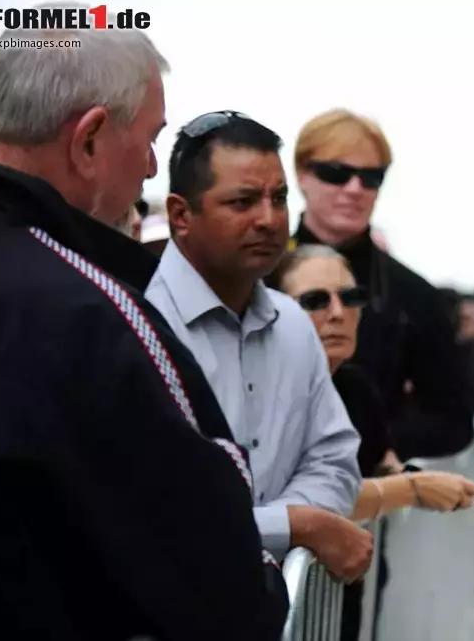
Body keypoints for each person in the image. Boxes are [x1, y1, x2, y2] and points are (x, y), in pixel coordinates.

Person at [0, 7, 287, 641]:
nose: (147, 167)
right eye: (148, 140)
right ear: (88, 140)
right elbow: (226, 590)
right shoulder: (91, 314)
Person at [145, 111, 372, 581]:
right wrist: (296, 526)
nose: (268, 220)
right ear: (180, 215)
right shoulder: (137, 320)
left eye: (279, 198)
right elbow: (148, 504)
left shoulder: (292, 322)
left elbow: (335, 458)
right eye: (243, 201)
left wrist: (273, 538)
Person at [271, 243, 474, 641]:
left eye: (351, 296)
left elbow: (384, 464)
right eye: (315, 300)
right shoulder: (265, 392)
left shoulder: (356, 388)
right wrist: (410, 489)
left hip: (341, 598)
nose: (337, 312)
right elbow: (303, 502)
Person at [291, 108, 474, 461]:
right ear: (302, 174)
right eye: (336, 173)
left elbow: (453, 419)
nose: (354, 189)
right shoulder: (254, 278)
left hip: (367, 499)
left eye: (371, 177)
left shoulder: (414, 296)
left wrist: (377, 443)